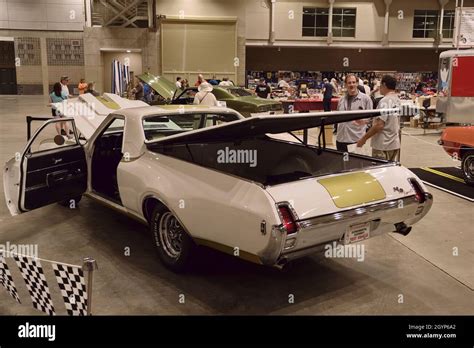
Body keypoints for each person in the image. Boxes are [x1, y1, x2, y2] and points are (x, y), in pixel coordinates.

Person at [357, 74, 401, 161]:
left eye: (380, 84)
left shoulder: (385, 101)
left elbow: (379, 125)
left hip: (383, 145)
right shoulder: (397, 100)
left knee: (380, 172)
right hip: (393, 143)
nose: (379, 87)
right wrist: (367, 122)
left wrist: (364, 138)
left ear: (384, 85)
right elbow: (389, 120)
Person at [336, 74, 373, 152]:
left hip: (356, 140)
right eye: (349, 83)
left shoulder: (366, 99)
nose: (351, 85)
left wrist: (365, 122)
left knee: (355, 163)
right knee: (342, 163)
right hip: (341, 139)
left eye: (353, 82)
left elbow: (371, 119)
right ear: (345, 85)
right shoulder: (341, 100)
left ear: (357, 83)